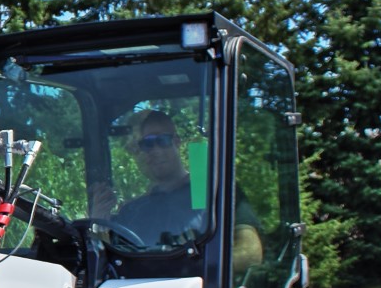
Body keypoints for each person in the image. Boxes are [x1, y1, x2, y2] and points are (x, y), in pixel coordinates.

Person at [91, 110, 264, 273]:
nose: (154, 151)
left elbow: (251, 252)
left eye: (161, 140)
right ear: (135, 153)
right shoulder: (133, 211)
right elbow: (109, 263)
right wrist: (98, 221)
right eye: (144, 145)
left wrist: (188, 269)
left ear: (176, 142)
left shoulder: (212, 191)